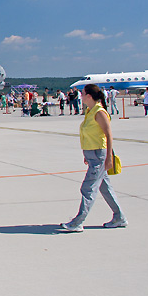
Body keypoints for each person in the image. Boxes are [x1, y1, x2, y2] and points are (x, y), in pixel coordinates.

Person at [61, 84, 127, 232]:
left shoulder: (100, 112)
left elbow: (108, 135)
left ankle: (77, 222)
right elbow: (89, 135)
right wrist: (86, 155)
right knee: (105, 188)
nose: (81, 96)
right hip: (92, 155)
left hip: (99, 155)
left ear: (89, 96)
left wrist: (109, 158)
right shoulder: (90, 111)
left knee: (88, 188)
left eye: (83, 93)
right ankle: (119, 217)